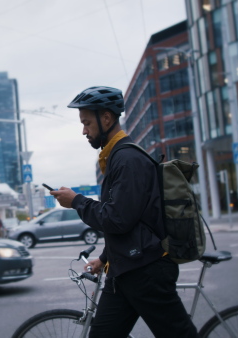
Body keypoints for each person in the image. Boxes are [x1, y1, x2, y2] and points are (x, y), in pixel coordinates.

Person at [50, 86, 197, 338]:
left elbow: (116, 219)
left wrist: (77, 201)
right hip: (126, 270)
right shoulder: (116, 157)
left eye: (86, 122)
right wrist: (106, 258)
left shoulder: (128, 160)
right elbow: (132, 221)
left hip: (146, 271)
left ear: (106, 118)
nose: (84, 130)